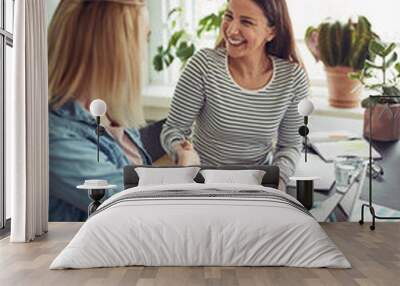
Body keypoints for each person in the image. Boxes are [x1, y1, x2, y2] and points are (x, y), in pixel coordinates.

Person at [160, 0, 309, 191]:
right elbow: (173, 129)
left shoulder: (292, 78)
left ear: (271, 32)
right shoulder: (204, 66)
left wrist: (276, 182)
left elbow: (290, 146)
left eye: (246, 22)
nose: (231, 30)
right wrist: (182, 151)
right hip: (203, 186)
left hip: (258, 188)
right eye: (229, 16)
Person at [48, 0, 151, 221]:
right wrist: (185, 170)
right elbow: (136, 209)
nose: (144, 55)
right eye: (143, 39)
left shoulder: (112, 114)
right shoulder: (54, 138)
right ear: (113, 51)